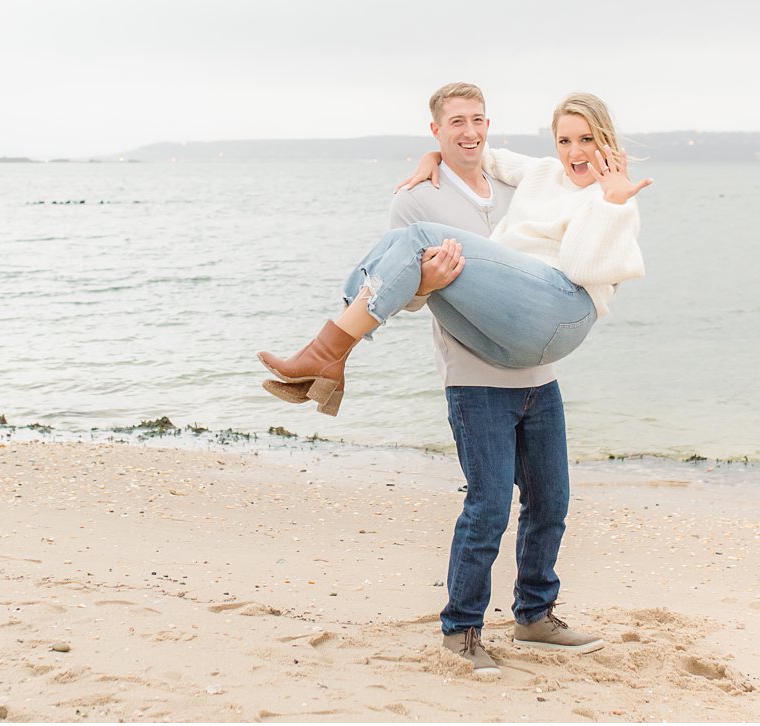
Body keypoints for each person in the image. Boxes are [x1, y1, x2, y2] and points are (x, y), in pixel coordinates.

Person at [258, 85, 650, 675]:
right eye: (565, 139)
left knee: (551, 502)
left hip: (547, 336)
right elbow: (413, 281)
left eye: (587, 139)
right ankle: (463, 629)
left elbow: (588, 268)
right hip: (476, 371)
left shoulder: (601, 193)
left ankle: (534, 614)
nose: (575, 151)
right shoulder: (483, 186)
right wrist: (427, 173)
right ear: (436, 130)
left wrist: (611, 202)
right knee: (490, 505)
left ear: (606, 140)